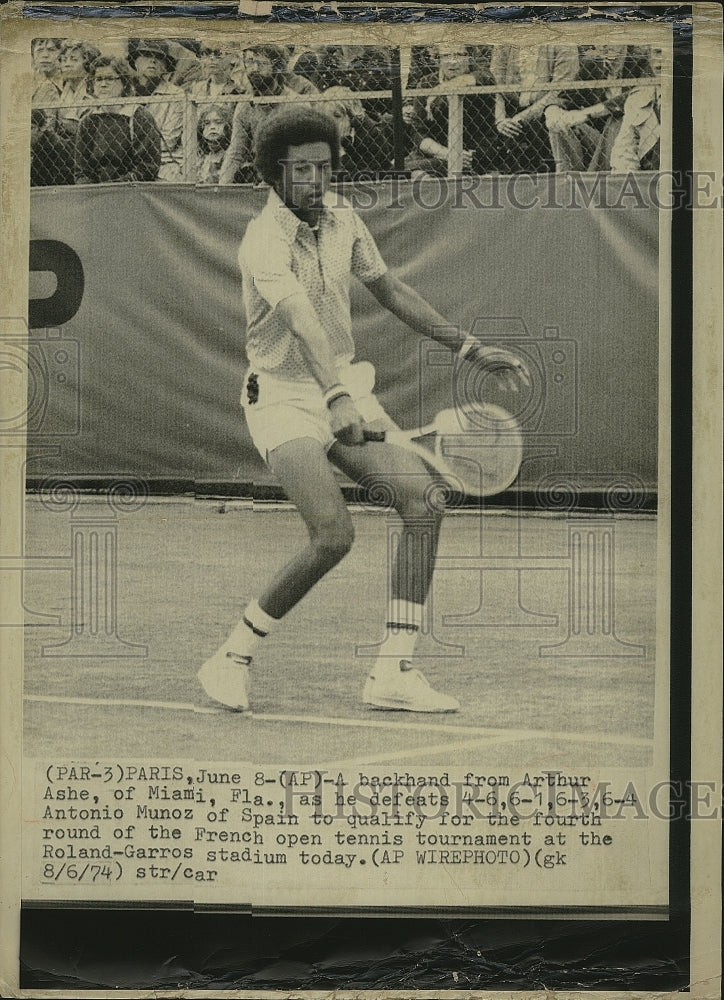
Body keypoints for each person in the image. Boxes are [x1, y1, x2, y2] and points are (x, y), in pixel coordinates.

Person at [197, 107, 530, 715]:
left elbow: (391, 290)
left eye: (325, 165)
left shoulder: (345, 219)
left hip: (341, 388)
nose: (317, 179)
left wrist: (468, 347)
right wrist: (335, 397)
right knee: (333, 534)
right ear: (274, 174)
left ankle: (392, 672)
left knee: (423, 501)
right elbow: (300, 323)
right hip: (281, 398)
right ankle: (232, 656)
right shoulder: (263, 240)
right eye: (302, 169)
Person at [218, 44, 318, 184]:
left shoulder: (296, 106)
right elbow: (236, 153)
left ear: (276, 68)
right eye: (250, 62)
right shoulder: (244, 107)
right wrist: (222, 188)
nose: (254, 69)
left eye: (262, 64)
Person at [405, 43, 499, 176]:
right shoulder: (426, 83)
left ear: (469, 57)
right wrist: (448, 154)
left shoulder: (481, 77)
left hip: (470, 155)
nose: (452, 62)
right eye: (446, 56)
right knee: (409, 172)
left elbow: (482, 77)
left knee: (408, 170)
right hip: (436, 153)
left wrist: (436, 92)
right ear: (438, 59)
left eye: (459, 55)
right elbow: (418, 133)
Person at [490, 43, 579, 173]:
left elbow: (558, 90)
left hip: (547, 112)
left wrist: (522, 118)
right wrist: (500, 120)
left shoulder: (564, 42)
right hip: (511, 112)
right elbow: (495, 85)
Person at [74, 56, 162, 184]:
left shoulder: (139, 117)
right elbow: (81, 170)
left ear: (124, 82)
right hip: (96, 193)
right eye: (98, 79)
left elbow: (147, 166)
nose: (103, 84)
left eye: (110, 79)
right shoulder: (88, 120)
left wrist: (114, 187)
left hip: (131, 190)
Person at [128, 39, 185, 181]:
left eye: (159, 57)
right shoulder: (126, 91)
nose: (153, 61)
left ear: (165, 66)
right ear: (135, 62)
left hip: (164, 161)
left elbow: (168, 140)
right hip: (126, 160)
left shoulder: (176, 94)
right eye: (146, 55)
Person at [196, 104, 232, 184]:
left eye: (218, 122)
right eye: (207, 123)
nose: (212, 127)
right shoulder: (203, 158)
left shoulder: (229, 156)